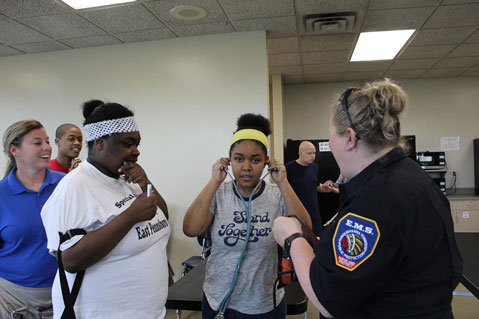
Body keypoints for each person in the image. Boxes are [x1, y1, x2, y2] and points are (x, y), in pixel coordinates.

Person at [273, 79, 463, 318]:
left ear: (350, 138)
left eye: (331, 135)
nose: (329, 144)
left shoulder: (375, 199)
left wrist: (292, 238)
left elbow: (328, 298)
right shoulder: (412, 177)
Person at [41, 100, 170, 319]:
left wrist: (146, 183)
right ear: (100, 142)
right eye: (128, 143)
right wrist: (130, 216)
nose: (136, 151)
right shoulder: (75, 186)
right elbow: (70, 260)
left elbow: (162, 217)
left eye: (137, 144)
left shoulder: (125, 178)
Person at [183, 113, 311, 319]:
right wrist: (213, 181)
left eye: (256, 160)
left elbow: (305, 228)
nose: (247, 167)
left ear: (267, 162)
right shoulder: (219, 193)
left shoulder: (276, 195)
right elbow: (190, 229)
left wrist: (283, 183)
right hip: (218, 302)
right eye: (239, 159)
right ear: (229, 160)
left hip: (264, 305)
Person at [0, 120, 64, 319]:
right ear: (14, 150)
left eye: (47, 141)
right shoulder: (2, 194)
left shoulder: (66, 184)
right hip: (12, 298)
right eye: (37, 143)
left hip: (64, 291)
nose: (47, 147)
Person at [286, 141, 338, 236]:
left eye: (314, 153)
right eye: (309, 153)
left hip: (314, 213)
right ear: (300, 153)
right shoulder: (289, 168)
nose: (313, 156)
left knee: (315, 240)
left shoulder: (314, 168)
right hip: (297, 213)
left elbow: (317, 186)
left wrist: (327, 187)